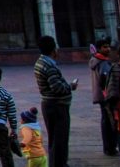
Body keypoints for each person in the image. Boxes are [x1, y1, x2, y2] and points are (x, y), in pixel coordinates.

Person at [34, 35, 76, 167]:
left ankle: (56, 162)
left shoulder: (40, 62)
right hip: (56, 105)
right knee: (60, 138)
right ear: (53, 49)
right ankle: (59, 164)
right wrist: (70, 87)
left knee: (54, 138)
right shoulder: (49, 66)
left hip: (48, 104)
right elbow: (57, 87)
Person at [89, 39, 118, 156]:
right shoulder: (102, 62)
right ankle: (110, 147)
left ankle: (108, 147)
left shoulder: (95, 60)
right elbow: (105, 79)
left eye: (108, 47)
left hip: (100, 95)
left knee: (105, 120)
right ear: (99, 48)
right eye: (105, 47)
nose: (108, 49)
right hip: (106, 95)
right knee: (110, 122)